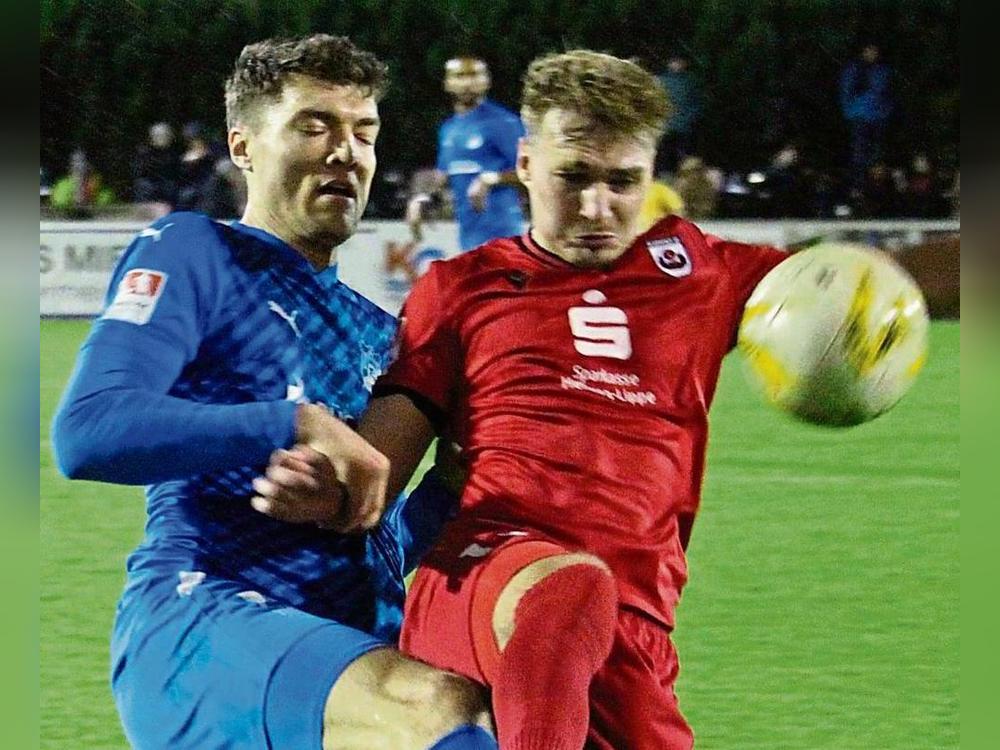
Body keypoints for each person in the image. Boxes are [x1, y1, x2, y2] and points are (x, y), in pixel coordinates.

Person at [257, 50, 790, 749]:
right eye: (575, 176)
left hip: (635, 629)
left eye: (623, 181)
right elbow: (380, 460)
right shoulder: (461, 288)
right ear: (528, 163)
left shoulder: (701, 270)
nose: (599, 206)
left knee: (585, 609)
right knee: (568, 592)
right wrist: (330, 484)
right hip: (485, 579)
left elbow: (839, 293)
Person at [52, 34, 498, 750]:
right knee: (440, 712)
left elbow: (373, 534)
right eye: (314, 126)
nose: (344, 151)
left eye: (364, 132)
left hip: (337, 652)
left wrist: (448, 488)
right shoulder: (196, 251)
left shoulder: (385, 334)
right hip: (203, 626)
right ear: (244, 145)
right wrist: (292, 422)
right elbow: (87, 431)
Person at [406, 56, 525, 251]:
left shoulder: (503, 122)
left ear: (487, 81)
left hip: (503, 236)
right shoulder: (449, 128)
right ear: (447, 83)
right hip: (469, 236)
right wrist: (423, 199)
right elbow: (444, 175)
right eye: (460, 76)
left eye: (475, 75)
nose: (468, 83)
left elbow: (530, 171)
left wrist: (491, 179)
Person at [839, 43, 893, 193]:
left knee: (877, 154)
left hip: (878, 118)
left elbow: (887, 93)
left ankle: (876, 188)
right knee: (859, 154)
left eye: (874, 50)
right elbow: (845, 92)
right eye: (869, 50)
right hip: (859, 117)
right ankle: (858, 187)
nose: (872, 53)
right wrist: (849, 112)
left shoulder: (882, 70)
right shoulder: (854, 70)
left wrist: (886, 112)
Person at [655, 54, 702, 175]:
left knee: (680, 156)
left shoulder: (690, 82)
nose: (676, 65)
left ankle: (680, 178)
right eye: (674, 62)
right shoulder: (660, 81)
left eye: (679, 62)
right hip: (664, 127)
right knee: (662, 156)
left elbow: (696, 104)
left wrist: (688, 119)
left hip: (682, 128)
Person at [132, 121, 181, 216]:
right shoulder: (144, 151)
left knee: (173, 188)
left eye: (165, 136)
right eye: (159, 136)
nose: (162, 138)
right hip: (150, 184)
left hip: (167, 184)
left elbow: (176, 171)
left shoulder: (173, 152)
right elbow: (139, 171)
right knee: (144, 186)